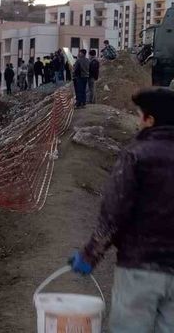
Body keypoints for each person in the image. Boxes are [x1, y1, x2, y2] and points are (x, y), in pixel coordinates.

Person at [69, 88, 174, 332]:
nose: (138, 122)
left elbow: (114, 213)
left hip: (140, 268)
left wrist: (89, 255)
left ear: (150, 120)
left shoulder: (137, 156)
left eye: (140, 116)